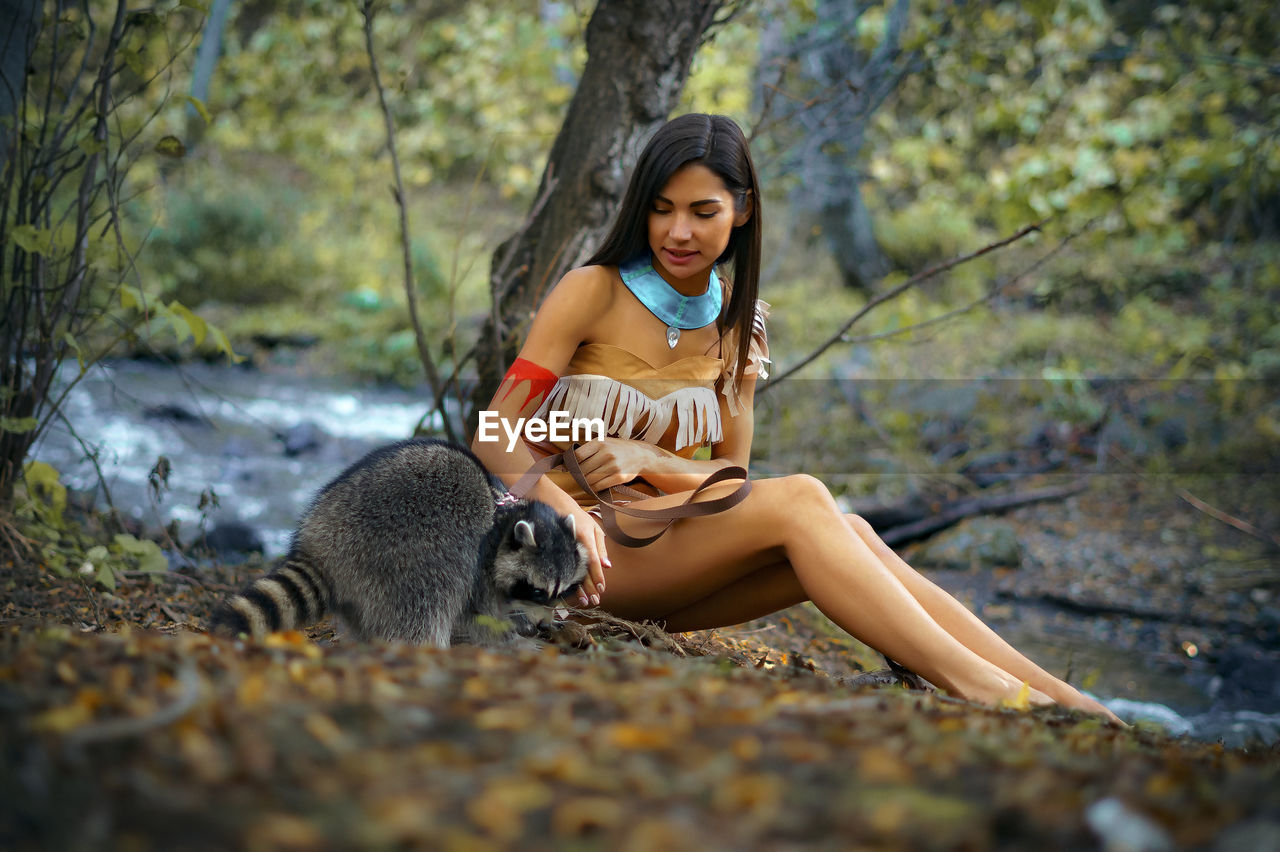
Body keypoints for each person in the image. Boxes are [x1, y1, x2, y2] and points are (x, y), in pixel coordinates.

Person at [471, 113, 1119, 721]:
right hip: (570, 563)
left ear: (743, 210)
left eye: (703, 212)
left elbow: (729, 479)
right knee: (806, 498)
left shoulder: (738, 327)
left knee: (852, 531)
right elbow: (492, 431)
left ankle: (1064, 700)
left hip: (663, 554)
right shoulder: (592, 291)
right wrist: (565, 511)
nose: (678, 232)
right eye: (662, 210)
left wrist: (649, 459)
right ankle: (987, 689)